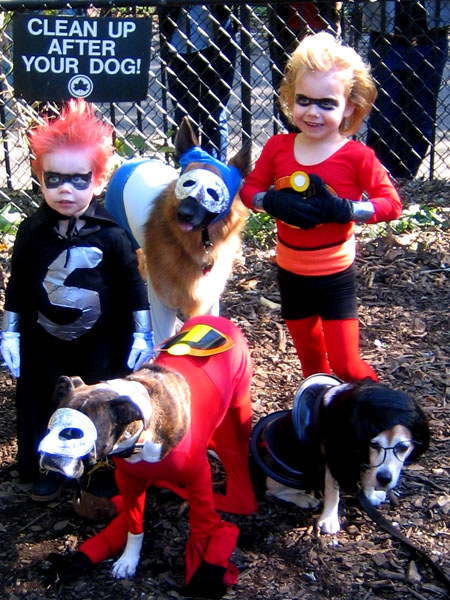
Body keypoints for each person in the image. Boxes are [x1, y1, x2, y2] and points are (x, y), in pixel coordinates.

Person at [0, 99, 155, 501]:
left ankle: (97, 467)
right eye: (53, 179)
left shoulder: (112, 235)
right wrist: (10, 332)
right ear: (39, 177)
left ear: (99, 180)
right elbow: (19, 285)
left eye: (78, 179)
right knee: (43, 399)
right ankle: (48, 466)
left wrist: (142, 333)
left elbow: (133, 287)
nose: (65, 189)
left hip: (101, 342)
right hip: (44, 340)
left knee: (100, 400)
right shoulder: (32, 232)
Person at [240, 32, 402, 382]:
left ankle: (378, 409)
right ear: (291, 98)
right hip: (291, 273)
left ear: (350, 106)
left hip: (334, 277)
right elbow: (249, 190)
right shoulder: (278, 147)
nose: (312, 112)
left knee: (347, 365)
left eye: (327, 103)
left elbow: (391, 204)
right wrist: (271, 202)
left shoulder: (357, 156)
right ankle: (322, 412)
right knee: (312, 365)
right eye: (304, 100)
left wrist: (346, 209)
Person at [364, 1, 449, 179]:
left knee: (421, 120)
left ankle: (404, 180)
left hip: (432, 37)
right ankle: (378, 178)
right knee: (384, 117)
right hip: (386, 37)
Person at [158, 4, 236, 160]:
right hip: (177, 45)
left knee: (215, 115)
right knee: (184, 115)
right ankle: (187, 168)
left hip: (218, 43)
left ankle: (214, 168)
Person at [268, 2, 341, 131]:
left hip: (322, 27)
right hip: (286, 29)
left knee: (324, 89)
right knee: (286, 89)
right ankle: (296, 135)